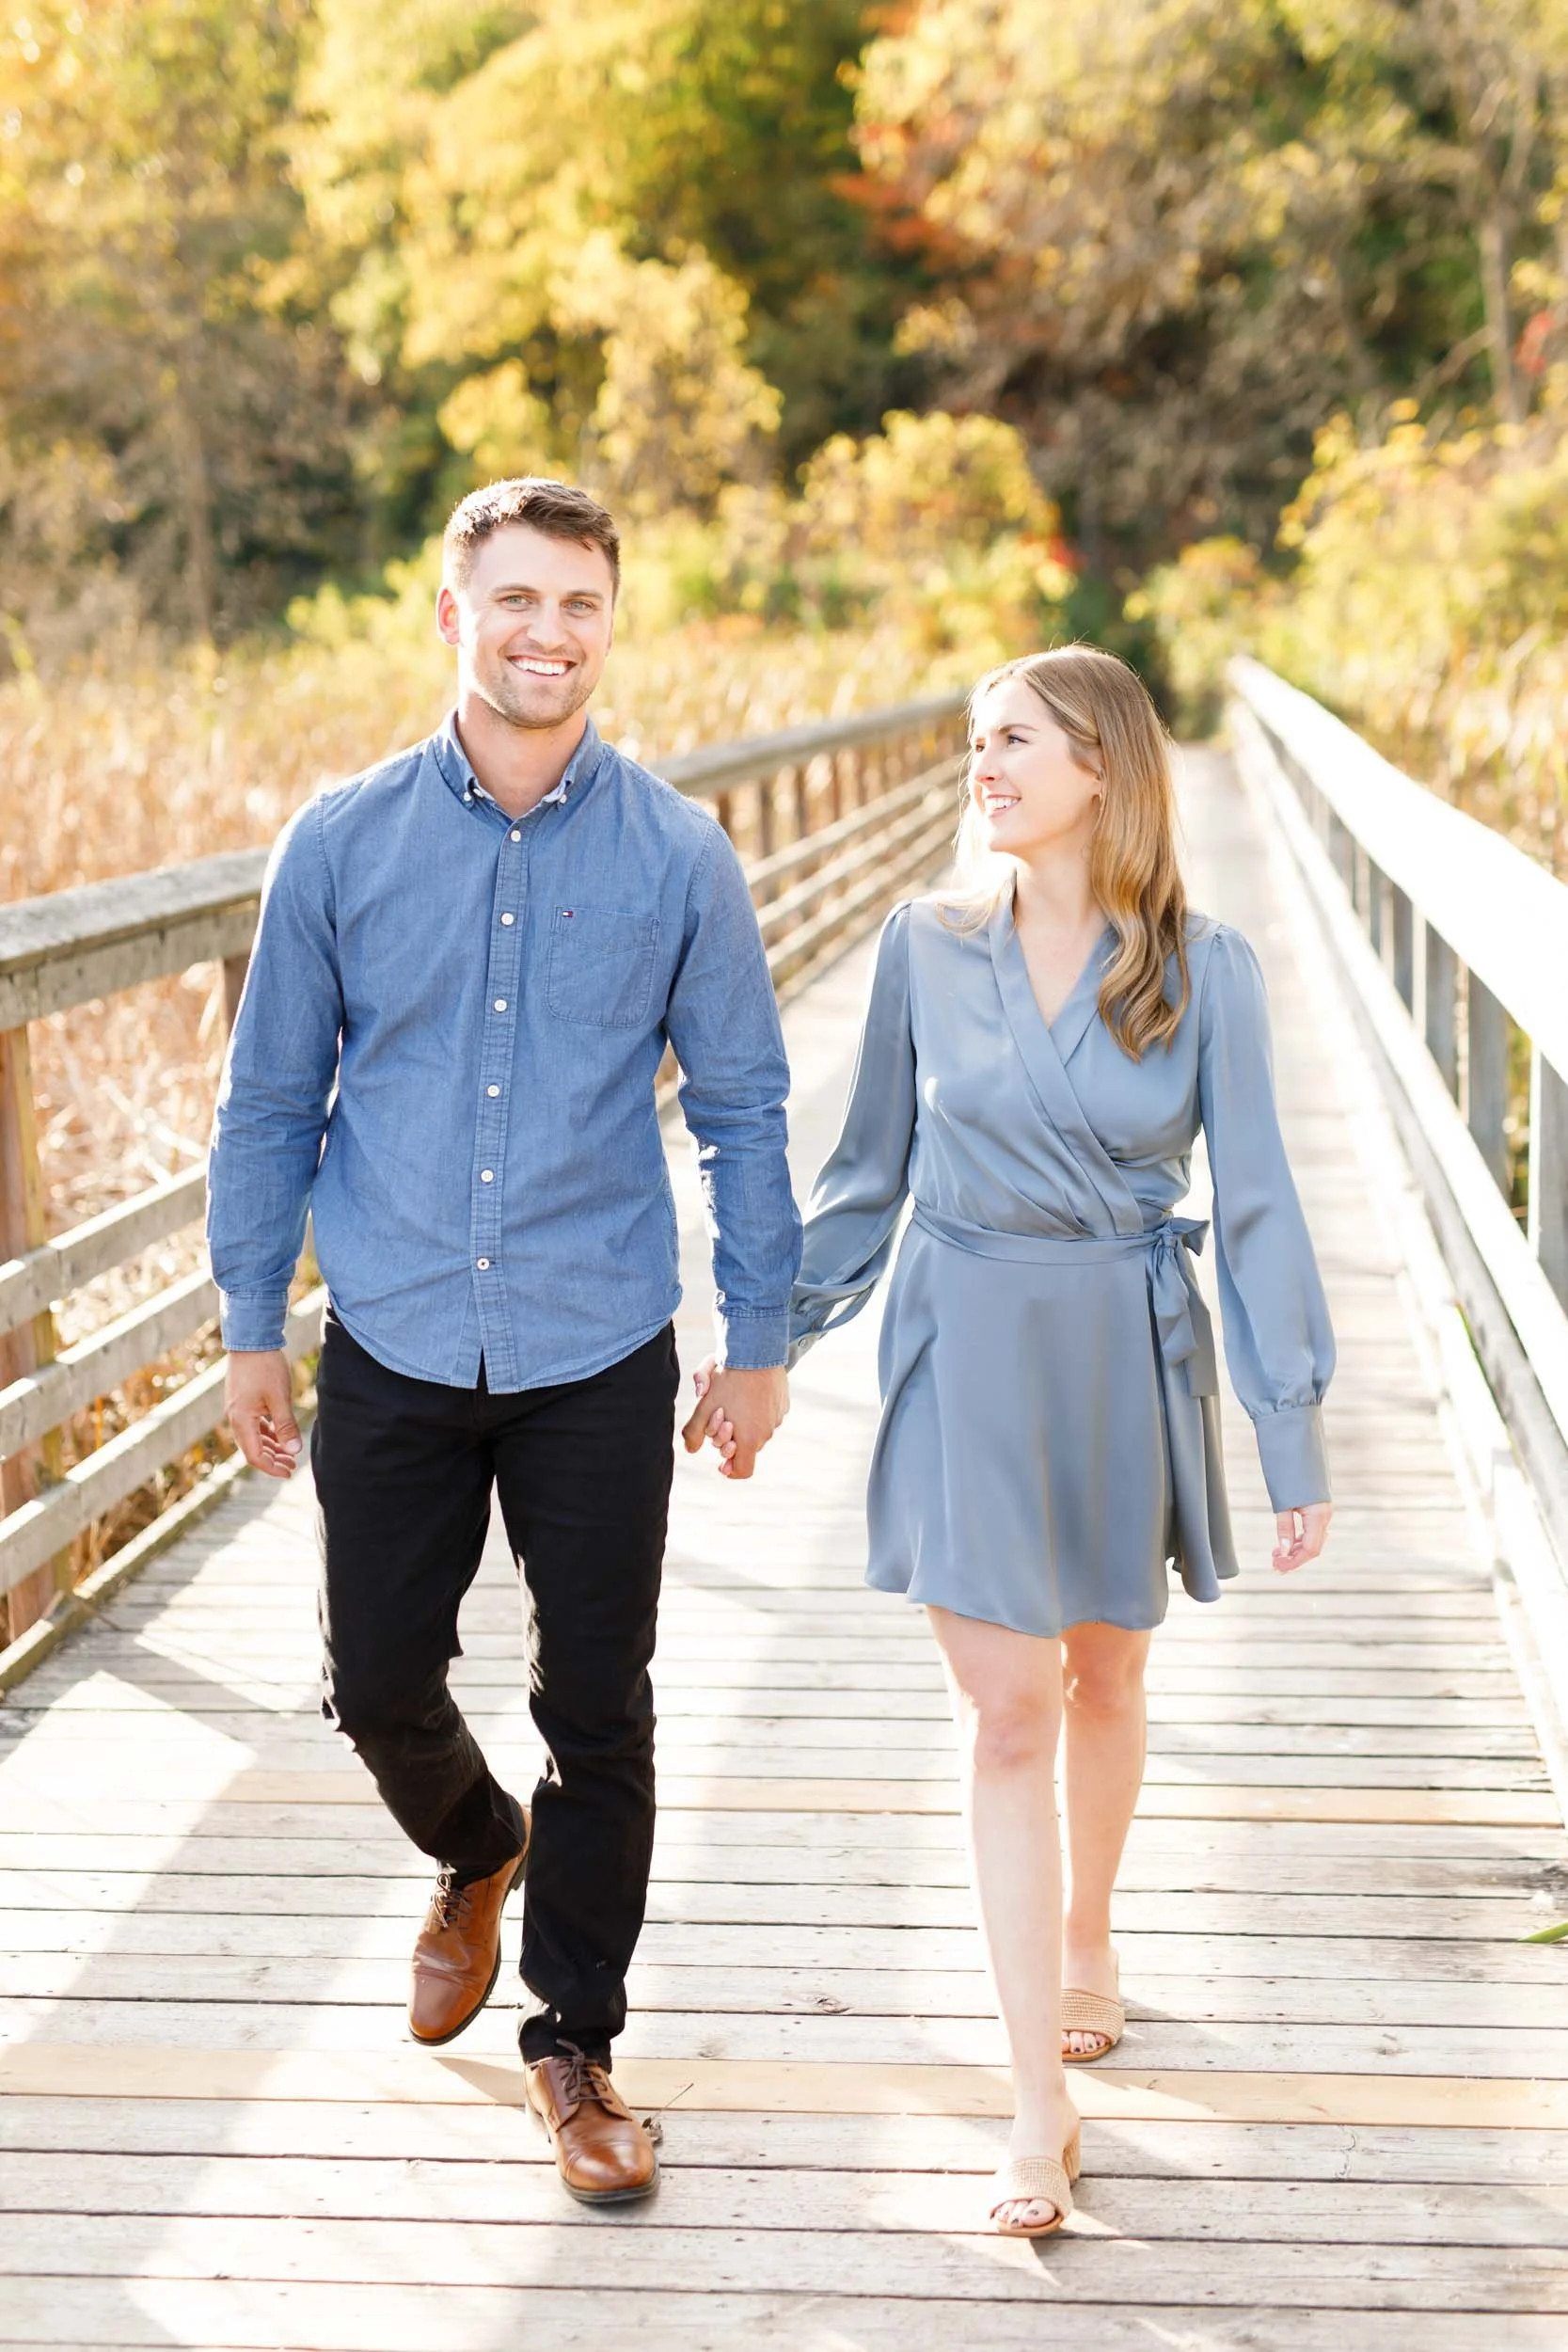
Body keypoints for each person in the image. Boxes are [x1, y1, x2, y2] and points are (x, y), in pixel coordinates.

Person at [207, 476, 798, 2209]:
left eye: (581, 607)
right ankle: (477, 1846)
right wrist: (253, 1318)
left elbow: (748, 1111)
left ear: (611, 627)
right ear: (450, 614)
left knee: (596, 1701)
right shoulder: (339, 839)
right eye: (517, 599)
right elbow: (267, 1102)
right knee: (377, 1677)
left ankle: (576, 2049)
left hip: (596, 1331)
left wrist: (753, 1334)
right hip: (389, 1322)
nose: (548, 633)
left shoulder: (680, 853)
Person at [696, 646, 1334, 2235]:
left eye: (1014, 742)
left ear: (1102, 765)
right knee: (1002, 1712)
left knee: (1106, 1672)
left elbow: (1253, 1206)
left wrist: (1288, 1427)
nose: (982, 767)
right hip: (965, 1339)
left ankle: (1090, 1932)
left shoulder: (1206, 969)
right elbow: (863, 1176)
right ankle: (1032, 2112)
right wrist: (766, 1341)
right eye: (976, 740)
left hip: (1121, 1349)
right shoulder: (924, 947)